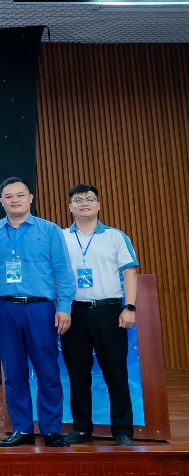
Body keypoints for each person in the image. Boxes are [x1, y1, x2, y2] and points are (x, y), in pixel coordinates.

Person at [0, 177, 76, 448]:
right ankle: (22, 428)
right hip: (4, 308)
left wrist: (64, 308)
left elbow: (64, 272)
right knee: (13, 371)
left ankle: (51, 429)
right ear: (1, 201)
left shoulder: (49, 230)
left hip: (40, 308)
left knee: (47, 370)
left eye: (20, 195)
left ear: (30, 198)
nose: (15, 200)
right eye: (9, 196)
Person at [61, 184, 139, 447]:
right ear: (70, 207)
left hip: (109, 312)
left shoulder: (115, 237)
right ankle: (81, 429)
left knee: (116, 373)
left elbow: (130, 273)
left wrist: (130, 307)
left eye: (90, 199)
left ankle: (123, 430)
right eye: (78, 200)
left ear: (98, 205)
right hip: (74, 313)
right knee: (77, 374)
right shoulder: (61, 237)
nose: (84, 203)